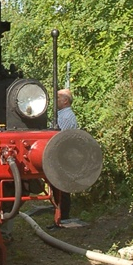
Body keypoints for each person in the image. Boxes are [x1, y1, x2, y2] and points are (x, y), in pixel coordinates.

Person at [54, 89, 88, 229]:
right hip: (61, 154)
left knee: (63, 187)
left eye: (58, 98)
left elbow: (62, 137)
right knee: (58, 186)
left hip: (65, 154)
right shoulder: (61, 115)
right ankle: (59, 216)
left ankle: (64, 217)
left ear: (65, 100)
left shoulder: (67, 117)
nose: (56, 101)